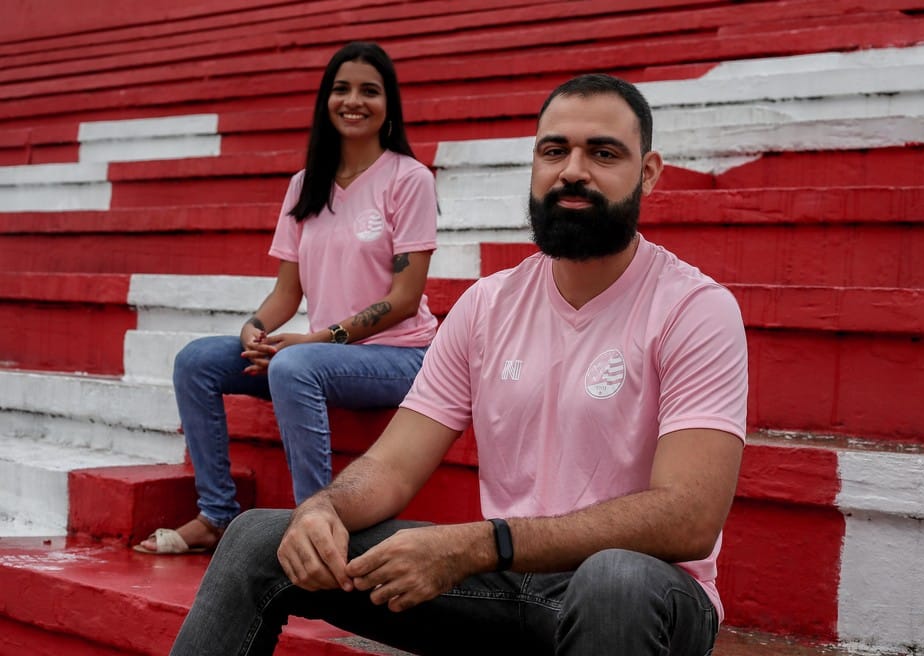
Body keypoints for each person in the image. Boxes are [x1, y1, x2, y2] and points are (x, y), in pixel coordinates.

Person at [170, 73, 747, 655]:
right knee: (255, 540)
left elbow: (689, 517)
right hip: (505, 582)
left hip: (648, 598)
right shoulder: (488, 304)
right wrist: (325, 508)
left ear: (647, 172)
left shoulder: (695, 309)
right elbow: (393, 468)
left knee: (613, 578)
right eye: (554, 151)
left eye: (603, 152)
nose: (573, 170)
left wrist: (477, 545)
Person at [135, 42, 438, 555]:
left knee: (295, 366)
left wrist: (313, 340)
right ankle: (216, 514)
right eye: (341, 89)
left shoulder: (409, 179)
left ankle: (314, 527)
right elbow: (286, 293)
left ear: (389, 105)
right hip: (326, 355)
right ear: (326, 100)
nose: (354, 101)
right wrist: (254, 329)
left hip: (401, 357)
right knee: (198, 361)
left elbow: (406, 298)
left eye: (370, 91)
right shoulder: (305, 185)